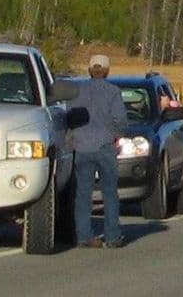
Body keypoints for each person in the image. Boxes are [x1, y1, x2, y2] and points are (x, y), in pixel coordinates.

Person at [70, 55, 127, 248]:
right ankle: (112, 236)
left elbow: (70, 116)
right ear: (107, 71)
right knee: (110, 192)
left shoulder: (77, 91)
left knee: (83, 193)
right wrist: (117, 135)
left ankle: (84, 235)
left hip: (82, 147)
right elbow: (120, 119)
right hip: (105, 146)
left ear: (89, 70)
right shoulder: (113, 92)